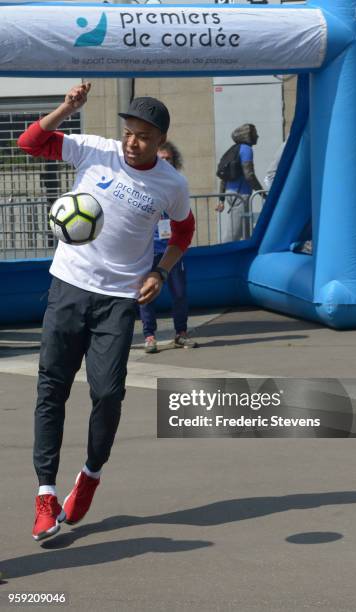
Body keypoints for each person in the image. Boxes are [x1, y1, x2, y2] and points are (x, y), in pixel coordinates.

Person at [17, 83, 195, 541]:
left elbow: (183, 231)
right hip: (68, 287)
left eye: (142, 135)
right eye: (129, 132)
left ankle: (91, 475)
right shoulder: (94, 151)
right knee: (51, 390)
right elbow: (29, 143)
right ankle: (45, 494)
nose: (131, 142)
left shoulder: (171, 184)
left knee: (109, 394)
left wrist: (160, 271)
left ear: (160, 141)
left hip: (119, 300)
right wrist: (65, 108)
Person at [139, 141, 197, 353]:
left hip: (172, 249)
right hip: (149, 249)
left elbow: (184, 218)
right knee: (147, 294)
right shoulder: (145, 182)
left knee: (180, 293)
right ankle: (149, 336)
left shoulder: (179, 184)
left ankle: (181, 333)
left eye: (168, 159)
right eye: (161, 158)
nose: (165, 162)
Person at [215, 123, 264, 242]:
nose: (257, 136)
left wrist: (221, 200)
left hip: (231, 194)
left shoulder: (233, 150)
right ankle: (224, 257)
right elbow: (249, 175)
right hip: (241, 196)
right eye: (254, 133)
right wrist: (262, 193)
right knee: (233, 235)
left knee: (246, 234)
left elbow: (224, 177)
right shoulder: (246, 150)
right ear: (248, 135)